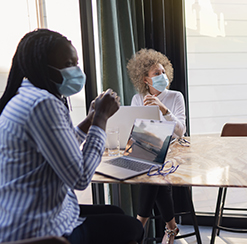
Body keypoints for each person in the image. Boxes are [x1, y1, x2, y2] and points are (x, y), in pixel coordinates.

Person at [0, 29, 143, 244]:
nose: (76, 71)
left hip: (23, 213)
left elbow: (58, 149)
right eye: (68, 64)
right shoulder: (43, 104)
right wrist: (101, 120)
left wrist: (88, 122)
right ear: (42, 67)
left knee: (115, 211)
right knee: (131, 228)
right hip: (39, 228)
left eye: (76, 63)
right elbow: (80, 178)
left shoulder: (26, 96)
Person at [127, 48, 186, 244]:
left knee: (153, 173)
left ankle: (137, 227)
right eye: (156, 73)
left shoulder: (175, 97)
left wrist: (164, 109)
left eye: (163, 72)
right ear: (145, 80)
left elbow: (181, 131)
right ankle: (171, 228)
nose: (162, 76)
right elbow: (135, 133)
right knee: (154, 172)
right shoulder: (138, 99)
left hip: (173, 152)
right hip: (148, 151)